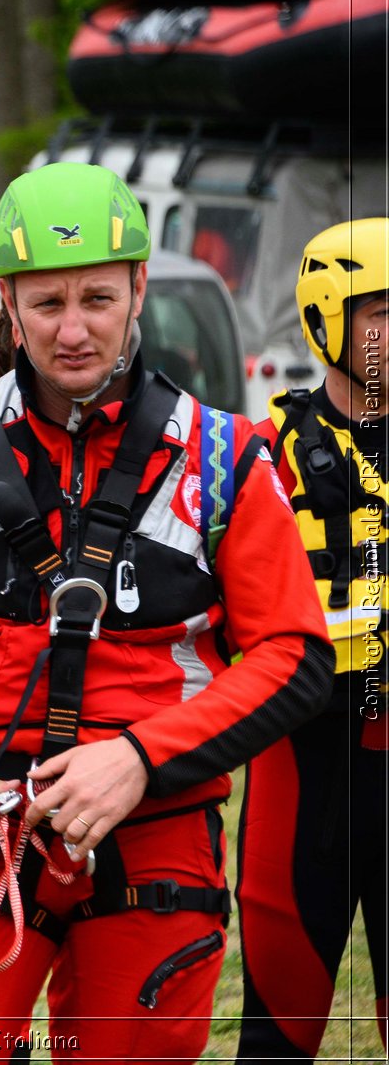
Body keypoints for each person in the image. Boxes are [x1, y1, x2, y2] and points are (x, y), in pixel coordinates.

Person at [0, 162, 334, 1061]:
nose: (74, 329)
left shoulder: (224, 455)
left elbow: (294, 653)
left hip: (156, 831)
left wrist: (138, 759)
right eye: (47, 304)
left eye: (97, 297)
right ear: (9, 302)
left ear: (137, 288)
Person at [237, 216, 389, 1061]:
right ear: (327, 318)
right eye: (381, 314)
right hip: (303, 764)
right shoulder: (266, 457)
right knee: (276, 1036)